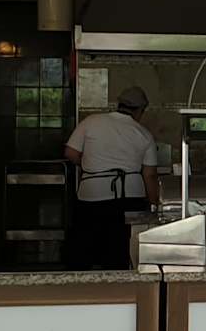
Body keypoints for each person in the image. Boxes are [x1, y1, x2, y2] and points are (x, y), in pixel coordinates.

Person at [64, 85, 160, 269]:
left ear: (119, 104)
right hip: (129, 197)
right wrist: (155, 203)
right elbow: (150, 175)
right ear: (140, 110)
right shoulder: (144, 134)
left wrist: (90, 167)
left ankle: (83, 281)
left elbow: (70, 153)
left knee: (86, 246)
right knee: (119, 249)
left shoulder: (91, 122)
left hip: (92, 195)